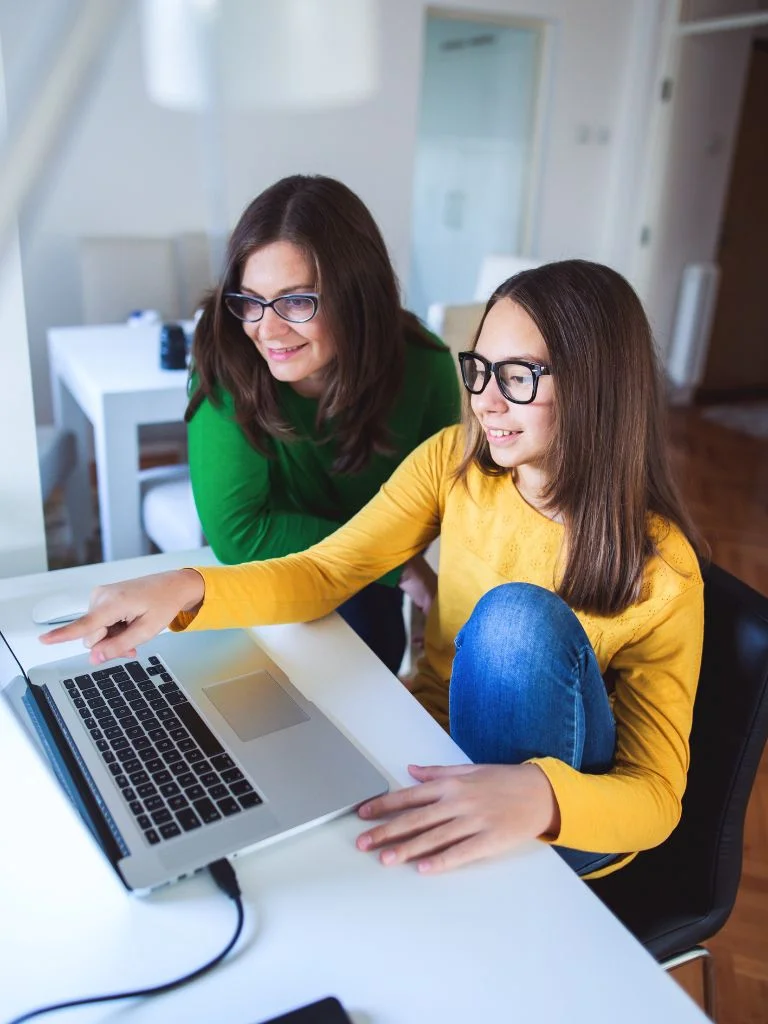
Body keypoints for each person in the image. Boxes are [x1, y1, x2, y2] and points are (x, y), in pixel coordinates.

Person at [43, 260, 705, 880]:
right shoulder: (455, 463)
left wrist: (539, 795)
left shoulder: (665, 571)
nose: (485, 402)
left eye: (519, 376)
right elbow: (330, 569)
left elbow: (655, 798)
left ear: (598, 389)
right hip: (441, 746)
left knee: (516, 619)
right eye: (479, 370)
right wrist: (189, 586)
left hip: (560, 817)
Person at [184, 174, 460, 674]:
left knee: (374, 650)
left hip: (368, 584)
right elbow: (239, 534)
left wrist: (428, 587)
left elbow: (439, 506)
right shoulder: (225, 348)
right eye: (250, 299)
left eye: (296, 301)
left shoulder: (423, 363)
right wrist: (400, 568)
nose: (266, 329)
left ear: (357, 297)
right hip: (266, 575)